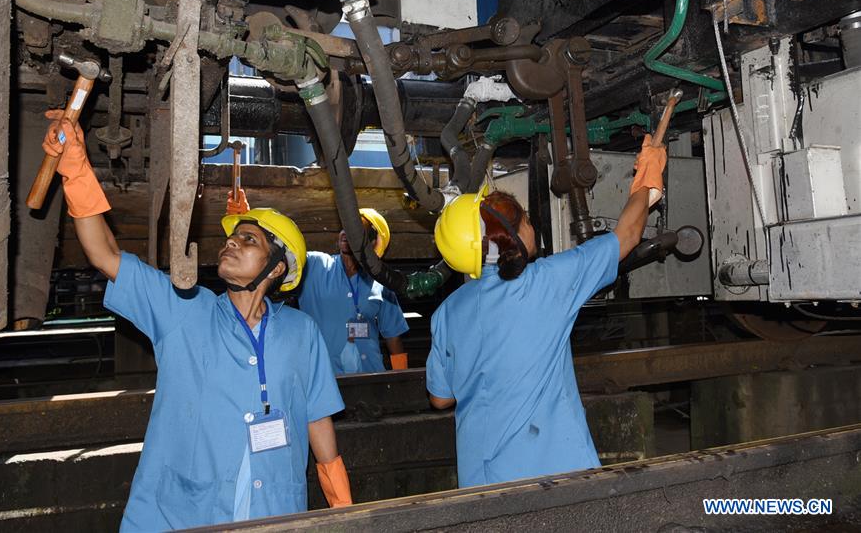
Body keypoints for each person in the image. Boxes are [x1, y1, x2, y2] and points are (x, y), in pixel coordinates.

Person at [40, 113, 352, 530]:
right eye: (230, 237)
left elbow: (317, 420)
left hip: (275, 511)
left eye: (249, 240)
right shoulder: (183, 310)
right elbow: (106, 255)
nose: (231, 243)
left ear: (278, 268)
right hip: (183, 513)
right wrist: (76, 168)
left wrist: (344, 511)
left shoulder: (301, 332)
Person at [425, 135, 666, 488]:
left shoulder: (446, 312)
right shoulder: (544, 283)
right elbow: (627, 235)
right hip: (553, 477)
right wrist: (648, 175)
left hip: (480, 487)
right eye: (523, 219)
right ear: (509, 237)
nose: (529, 223)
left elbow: (441, 398)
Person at [298, 209, 409, 374]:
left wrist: (403, 380)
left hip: (370, 377)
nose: (345, 232)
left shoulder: (381, 283)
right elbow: (284, 259)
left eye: (356, 229)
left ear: (373, 243)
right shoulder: (314, 266)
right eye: (344, 227)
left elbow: (393, 337)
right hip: (324, 379)